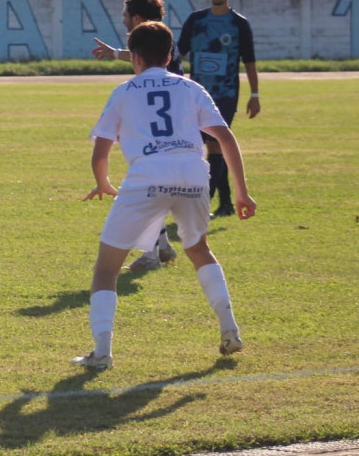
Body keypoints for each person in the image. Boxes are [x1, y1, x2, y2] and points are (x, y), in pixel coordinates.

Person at [74, 21, 256, 370]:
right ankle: (230, 328)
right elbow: (225, 138)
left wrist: (103, 182)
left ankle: (102, 352)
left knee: (106, 268)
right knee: (199, 249)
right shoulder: (191, 88)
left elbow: (100, 151)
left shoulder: (124, 92)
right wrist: (243, 192)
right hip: (192, 175)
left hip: (147, 178)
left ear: (135, 58)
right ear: (171, 55)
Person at [91, 0, 182, 270]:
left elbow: (139, 55)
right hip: (162, 124)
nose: (123, 20)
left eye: (125, 15)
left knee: (145, 189)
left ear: (138, 18)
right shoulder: (161, 41)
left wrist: (115, 52)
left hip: (159, 127)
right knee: (151, 188)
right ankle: (162, 248)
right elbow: (138, 55)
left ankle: (152, 255)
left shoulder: (160, 44)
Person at [176, 0, 259, 218]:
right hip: (198, 93)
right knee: (212, 148)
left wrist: (255, 95)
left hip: (225, 93)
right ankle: (225, 204)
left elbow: (250, 62)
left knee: (215, 144)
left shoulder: (239, 24)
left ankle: (207, 201)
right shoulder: (195, 21)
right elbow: (178, 54)